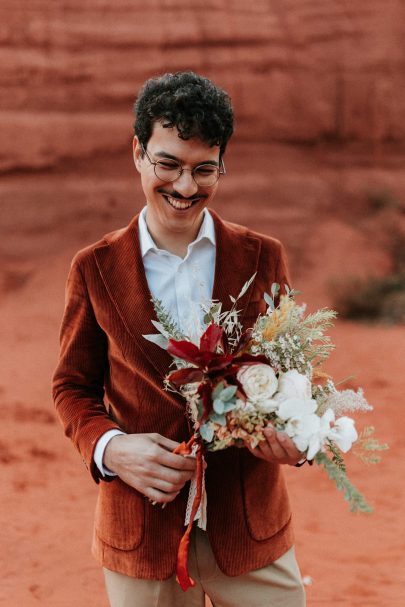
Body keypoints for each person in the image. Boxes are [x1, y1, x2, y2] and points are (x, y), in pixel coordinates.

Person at [53, 71, 306, 607]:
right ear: (138, 154)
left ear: (222, 166)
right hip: (142, 536)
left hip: (251, 533)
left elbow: (298, 367)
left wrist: (298, 432)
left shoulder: (263, 256)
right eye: (168, 164)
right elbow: (72, 387)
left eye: (203, 169)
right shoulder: (94, 268)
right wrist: (112, 448)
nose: (185, 187)